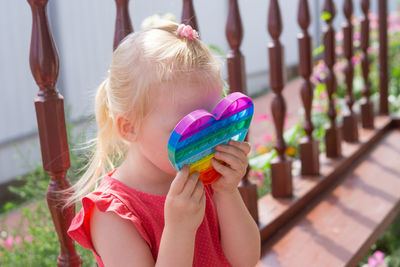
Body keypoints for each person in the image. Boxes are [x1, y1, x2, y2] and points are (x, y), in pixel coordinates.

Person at [65, 22, 260, 267]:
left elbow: (246, 260)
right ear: (129, 128)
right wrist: (179, 230)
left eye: (213, 123)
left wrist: (227, 192)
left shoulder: (205, 175)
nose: (206, 141)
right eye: (189, 127)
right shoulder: (113, 213)